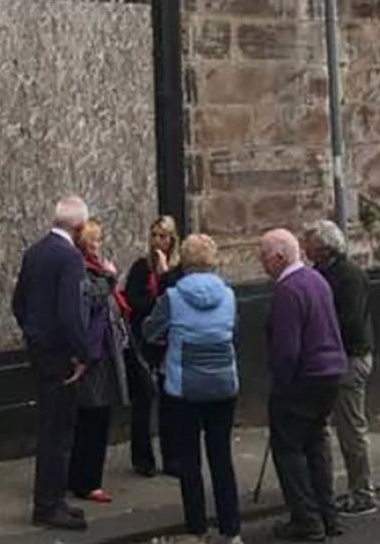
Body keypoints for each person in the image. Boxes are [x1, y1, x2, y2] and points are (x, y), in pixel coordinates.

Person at [143, 233, 242, 544]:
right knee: (221, 458)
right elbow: (232, 330)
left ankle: (197, 530)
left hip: (184, 388)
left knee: (190, 461)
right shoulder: (228, 295)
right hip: (224, 385)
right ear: (213, 262)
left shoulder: (172, 298)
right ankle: (232, 531)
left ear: (184, 263)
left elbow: (151, 332)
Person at [259, 229, 347, 542]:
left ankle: (307, 520)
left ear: (280, 257)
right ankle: (328, 514)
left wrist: (280, 385)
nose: (262, 263)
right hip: (330, 372)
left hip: (302, 378)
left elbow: (286, 348)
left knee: (289, 449)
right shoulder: (317, 280)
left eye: (264, 256)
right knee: (316, 443)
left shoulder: (288, 290)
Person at [11, 196, 91, 531]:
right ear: (79, 227)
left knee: (50, 426)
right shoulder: (70, 258)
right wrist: (83, 353)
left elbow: (19, 302)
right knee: (58, 431)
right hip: (59, 354)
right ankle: (48, 504)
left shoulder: (35, 252)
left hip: (40, 347)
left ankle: (54, 500)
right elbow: (70, 312)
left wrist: (32, 334)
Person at [303, 220, 378, 517]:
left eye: (309, 242)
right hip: (334, 358)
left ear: (322, 248)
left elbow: (350, 322)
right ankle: (331, 488)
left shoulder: (349, 276)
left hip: (349, 359)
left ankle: (363, 493)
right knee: (331, 427)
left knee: (351, 430)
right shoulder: (323, 273)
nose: (305, 247)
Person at [68, 220, 131, 504]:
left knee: (91, 418)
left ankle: (81, 477)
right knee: (93, 417)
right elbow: (91, 304)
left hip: (101, 354)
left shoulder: (90, 269)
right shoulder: (86, 272)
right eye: (94, 240)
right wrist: (110, 279)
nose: (98, 245)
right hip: (94, 357)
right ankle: (87, 481)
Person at [124, 215, 185, 476]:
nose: (158, 241)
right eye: (154, 236)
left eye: (163, 236)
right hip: (143, 341)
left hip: (169, 342)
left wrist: (164, 277)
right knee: (143, 401)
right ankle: (142, 459)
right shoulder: (140, 267)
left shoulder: (178, 270)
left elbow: (175, 301)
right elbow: (135, 301)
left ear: (173, 240)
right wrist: (153, 300)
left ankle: (172, 458)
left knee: (171, 402)